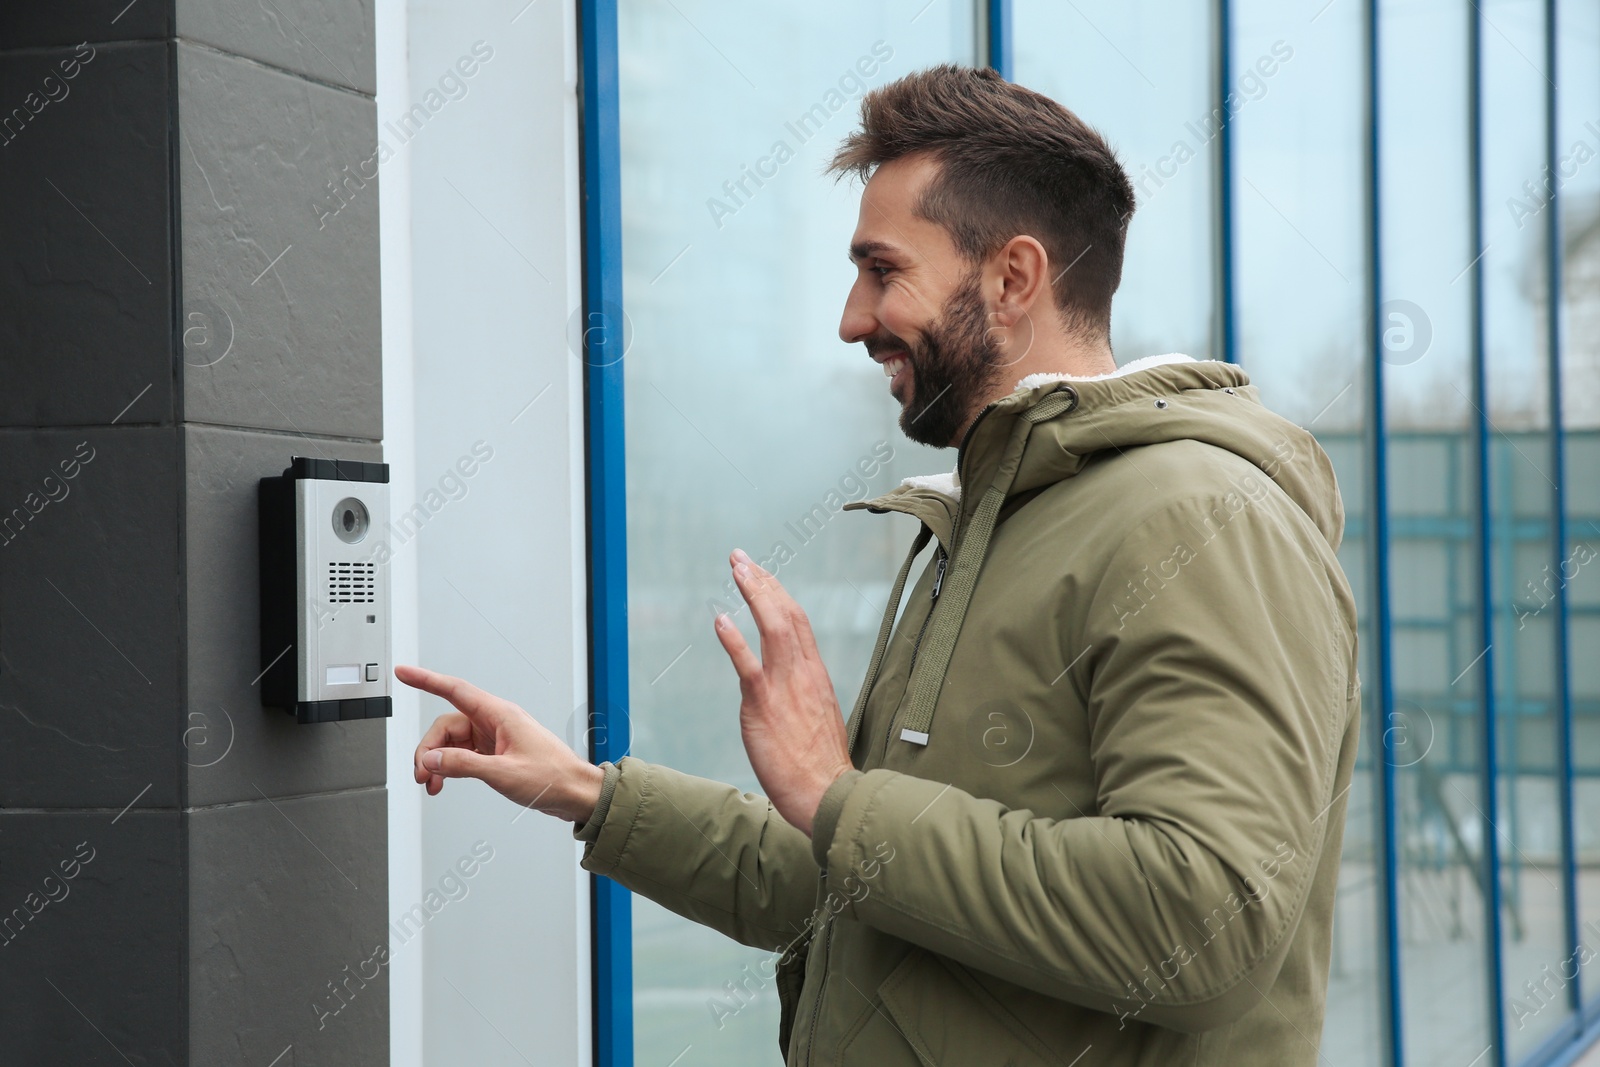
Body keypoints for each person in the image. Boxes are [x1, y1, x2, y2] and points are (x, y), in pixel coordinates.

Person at [399, 64, 1360, 1066]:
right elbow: (856, 874)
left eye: (882, 270)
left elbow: (1206, 921)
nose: (852, 319)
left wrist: (840, 799)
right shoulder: (981, 523)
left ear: (1013, 278)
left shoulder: (1201, 519)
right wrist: (586, 791)